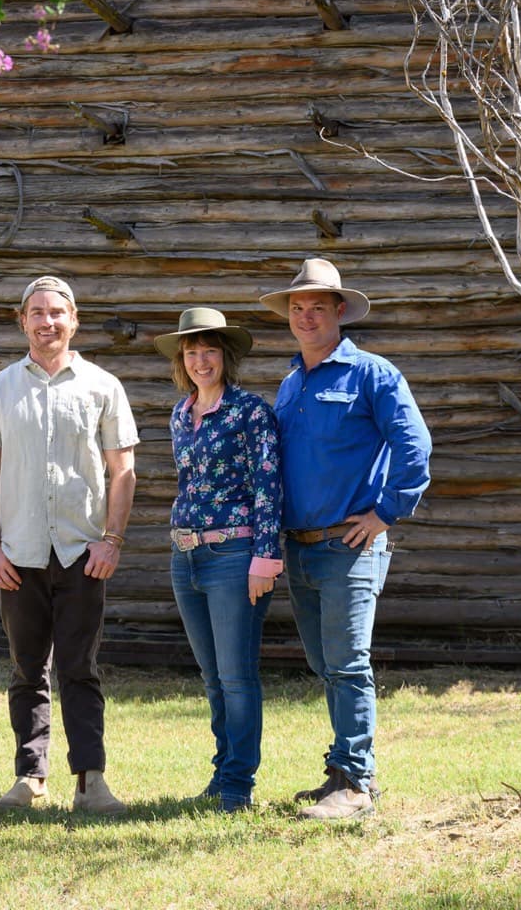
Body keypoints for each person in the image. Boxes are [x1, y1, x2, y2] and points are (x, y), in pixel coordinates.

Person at [260, 258, 431, 820]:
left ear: (340, 311)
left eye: (317, 307)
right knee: (324, 662)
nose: (306, 317)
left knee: (349, 663)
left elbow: (415, 450)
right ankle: (341, 769)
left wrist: (385, 515)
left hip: (351, 545)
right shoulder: (290, 384)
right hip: (300, 545)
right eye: (297, 308)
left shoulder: (374, 375)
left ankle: (356, 782)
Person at [0, 275, 139, 814]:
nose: (47, 322)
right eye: (37, 313)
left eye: (57, 313)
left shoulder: (103, 386)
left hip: (82, 554)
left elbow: (123, 471)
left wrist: (111, 540)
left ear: (74, 321)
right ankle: (30, 777)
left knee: (79, 668)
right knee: (26, 669)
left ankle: (91, 781)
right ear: (23, 322)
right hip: (18, 556)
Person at [156, 306, 283, 814]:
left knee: (236, 676)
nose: (200, 360)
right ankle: (222, 770)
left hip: (235, 555)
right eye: (192, 351)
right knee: (212, 677)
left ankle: (238, 785)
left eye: (209, 350)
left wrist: (265, 557)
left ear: (225, 357)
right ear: (181, 360)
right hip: (185, 556)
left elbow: (268, 485)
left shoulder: (251, 411)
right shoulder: (180, 414)